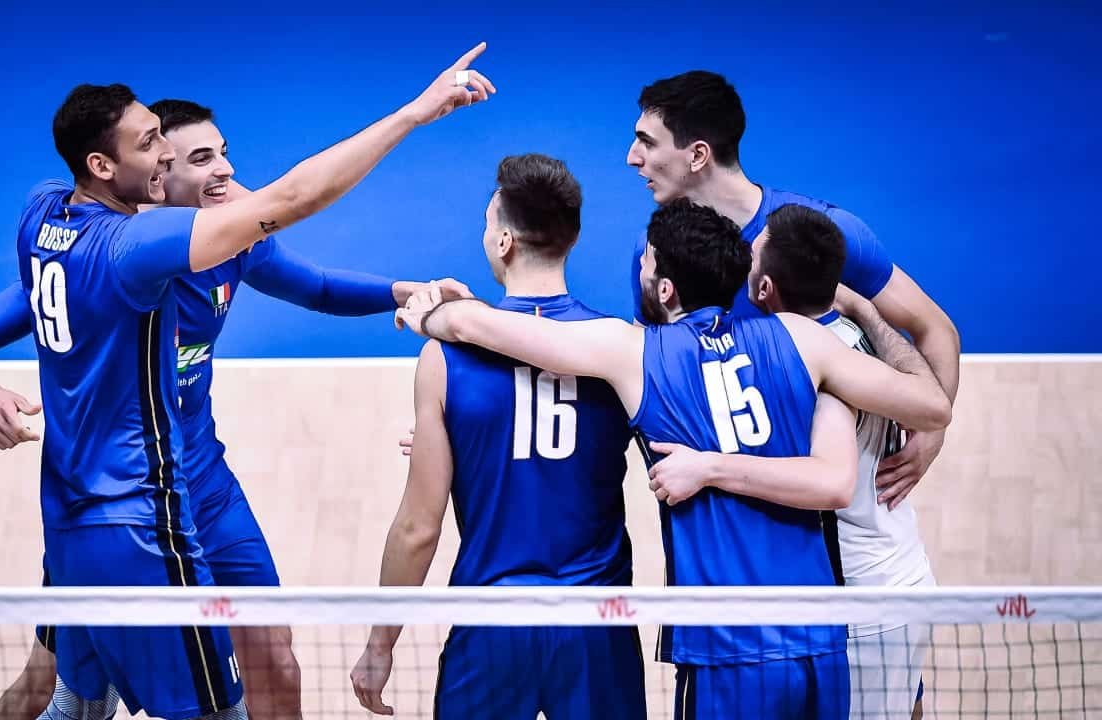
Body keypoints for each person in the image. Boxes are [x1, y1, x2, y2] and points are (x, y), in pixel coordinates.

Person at [0, 97, 469, 719]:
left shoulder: (203, 236)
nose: (222, 170)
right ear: (148, 179)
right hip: (129, 509)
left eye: (219, 152)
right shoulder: (121, 257)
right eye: (189, 155)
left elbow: (316, 285)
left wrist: (398, 291)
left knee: (276, 659)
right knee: (62, 691)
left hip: (203, 489)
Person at [394, 199, 951, 719]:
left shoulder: (637, 353)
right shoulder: (803, 338)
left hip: (724, 650)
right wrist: (864, 308)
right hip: (818, 642)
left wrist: (430, 314)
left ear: (663, 290)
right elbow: (932, 408)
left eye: (646, 264)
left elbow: (475, 326)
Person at [349, 154, 645, 719]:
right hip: (596, 628)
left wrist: (379, 644)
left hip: (492, 627)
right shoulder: (620, 350)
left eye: (489, 224)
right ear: (573, 237)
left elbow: (417, 529)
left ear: (504, 241)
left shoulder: (445, 360)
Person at [647, 203, 935, 718]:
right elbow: (934, 405)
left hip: (860, 592)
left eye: (753, 260)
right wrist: (869, 309)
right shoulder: (859, 340)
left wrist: (708, 466)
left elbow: (832, 482)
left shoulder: (814, 359)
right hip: (905, 573)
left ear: (764, 291)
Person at [626, 70, 960, 507]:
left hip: (835, 512)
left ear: (698, 155)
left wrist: (933, 433)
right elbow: (641, 364)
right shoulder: (656, 253)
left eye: (647, 142)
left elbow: (935, 328)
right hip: (733, 516)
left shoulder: (820, 232)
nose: (633, 158)